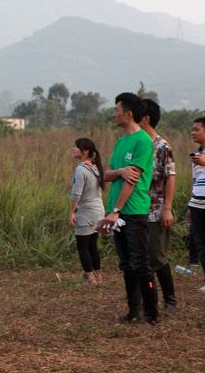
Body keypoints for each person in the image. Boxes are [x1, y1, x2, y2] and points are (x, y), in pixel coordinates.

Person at [98, 92, 158, 324]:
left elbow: (132, 181)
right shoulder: (121, 141)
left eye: (117, 110)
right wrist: (119, 172)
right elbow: (108, 174)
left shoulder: (143, 141)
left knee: (141, 263)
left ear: (128, 113)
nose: (114, 114)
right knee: (126, 263)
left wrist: (116, 210)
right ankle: (134, 310)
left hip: (132, 211)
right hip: (118, 211)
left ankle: (152, 313)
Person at [138, 99, 177, 308]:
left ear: (146, 119)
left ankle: (170, 299)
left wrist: (167, 209)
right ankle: (147, 301)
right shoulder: (137, 144)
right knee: (142, 258)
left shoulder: (161, 146)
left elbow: (170, 176)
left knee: (157, 256)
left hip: (155, 209)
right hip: (137, 209)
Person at [68, 138, 106, 284]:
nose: (74, 149)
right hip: (98, 211)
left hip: (85, 212)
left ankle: (90, 278)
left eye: (76, 147)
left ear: (85, 152)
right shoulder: (96, 167)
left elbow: (76, 194)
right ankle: (98, 276)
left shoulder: (81, 169)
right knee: (92, 245)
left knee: (82, 246)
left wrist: (72, 212)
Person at [187, 116, 205, 292]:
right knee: (200, 243)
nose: (193, 132)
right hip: (197, 204)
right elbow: (195, 181)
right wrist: (190, 204)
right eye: (192, 129)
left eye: (197, 129)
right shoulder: (197, 154)